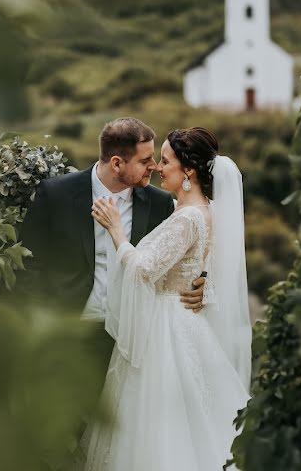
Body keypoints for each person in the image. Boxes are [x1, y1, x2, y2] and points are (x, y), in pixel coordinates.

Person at [84, 127, 252, 471]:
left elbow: (144, 268)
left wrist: (117, 231)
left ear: (188, 171)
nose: (160, 168)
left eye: (165, 161)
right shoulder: (205, 210)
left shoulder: (188, 218)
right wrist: (206, 287)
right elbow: (216, 268)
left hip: (163, 331)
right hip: (186, 323)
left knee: (155, 427)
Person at [19, 118, 207, 401]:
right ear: (117, 163)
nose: (154, 166)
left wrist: (203, 282)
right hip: (69, 333)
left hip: (131, 342)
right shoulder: (56, 193)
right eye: (145, 160)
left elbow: (185, 250)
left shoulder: (160, 204)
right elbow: (28, 264)